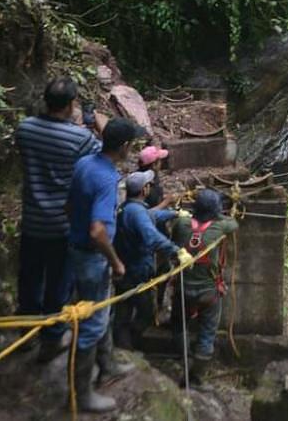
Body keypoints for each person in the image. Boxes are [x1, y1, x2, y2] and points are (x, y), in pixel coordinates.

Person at [14, 77, 101, 363]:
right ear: (71, 104)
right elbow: (100, 155)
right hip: (63, 225)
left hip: (32, 220)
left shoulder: (25, 130)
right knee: (58, 284)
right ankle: (51, 340)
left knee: (29, 278)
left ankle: (25, 334)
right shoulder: (82, 139)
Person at [67, 117, 146, 412]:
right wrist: (115, 261)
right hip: (93, 256)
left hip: (76, 248)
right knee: (92, 320)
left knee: (102, 309)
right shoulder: (106, 178)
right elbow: (98, 230)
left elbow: (70, 203)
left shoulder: (85, 163)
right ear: (125, 146)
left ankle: (108, 364)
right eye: (132, 145)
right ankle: (82, 395)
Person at [112, 171, 191, 351]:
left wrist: (174, 214)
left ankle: (121, 344)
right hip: (137, 269)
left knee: (123, 308)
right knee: (145, 312)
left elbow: (152, 216)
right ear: (145, 189)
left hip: (125, 265)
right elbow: (151, 236)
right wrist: (176, 250)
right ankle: (128, 345)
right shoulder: (136, 212)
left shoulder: (128, 207)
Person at [171, 189, 238, 386]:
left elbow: (176, 238)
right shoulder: (221, 227)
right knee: (207, 332)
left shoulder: (182, 224)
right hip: (208, 293)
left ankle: (185, 360)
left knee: (178, 326)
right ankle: (196, 376)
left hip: (183, 289)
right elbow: (234, 223)